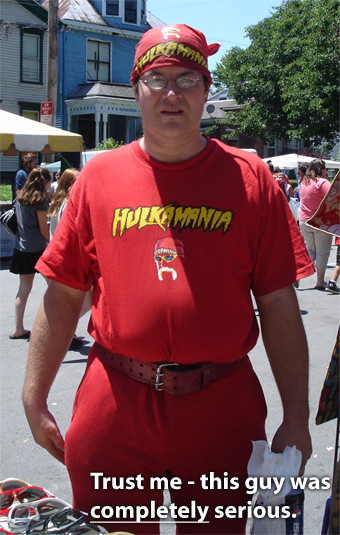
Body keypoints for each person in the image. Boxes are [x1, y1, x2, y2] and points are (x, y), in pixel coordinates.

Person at [22, 24, 315, 535]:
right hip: (116, 399)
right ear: (136, 89)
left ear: (206, 90)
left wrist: (296, 414)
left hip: (221, 402)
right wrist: (33, 394)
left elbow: (278, 303)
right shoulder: (99, 177)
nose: (172, 92)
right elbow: (63, 293)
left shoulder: (251, 178)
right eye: (157, 78)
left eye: (187, 78)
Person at [48, 168, 90, 349]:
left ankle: (64, 330)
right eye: (76, 182)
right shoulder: (67, 205)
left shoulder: (58, 203)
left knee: (71, 300)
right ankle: (60, 328)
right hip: (66, 259)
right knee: (83, 300)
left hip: (57, 256)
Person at [9, 168, 51, 339]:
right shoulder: (40, 202)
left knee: (23, 289)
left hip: (21, 247)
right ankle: (52, 327)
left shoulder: (20, 198)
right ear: (44, 183)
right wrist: (53, 240)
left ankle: (18, 328)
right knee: (54, 288)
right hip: (38, 249)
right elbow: (43, 230)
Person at [299, 159, 333, 290]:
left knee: (310, 250)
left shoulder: (304, 183)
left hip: (304, 220)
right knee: (322, 252)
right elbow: (331, 198)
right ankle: (320, 281)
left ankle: (297, 275)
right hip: (320, 221)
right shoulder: (322, 182)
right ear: (321, 169)